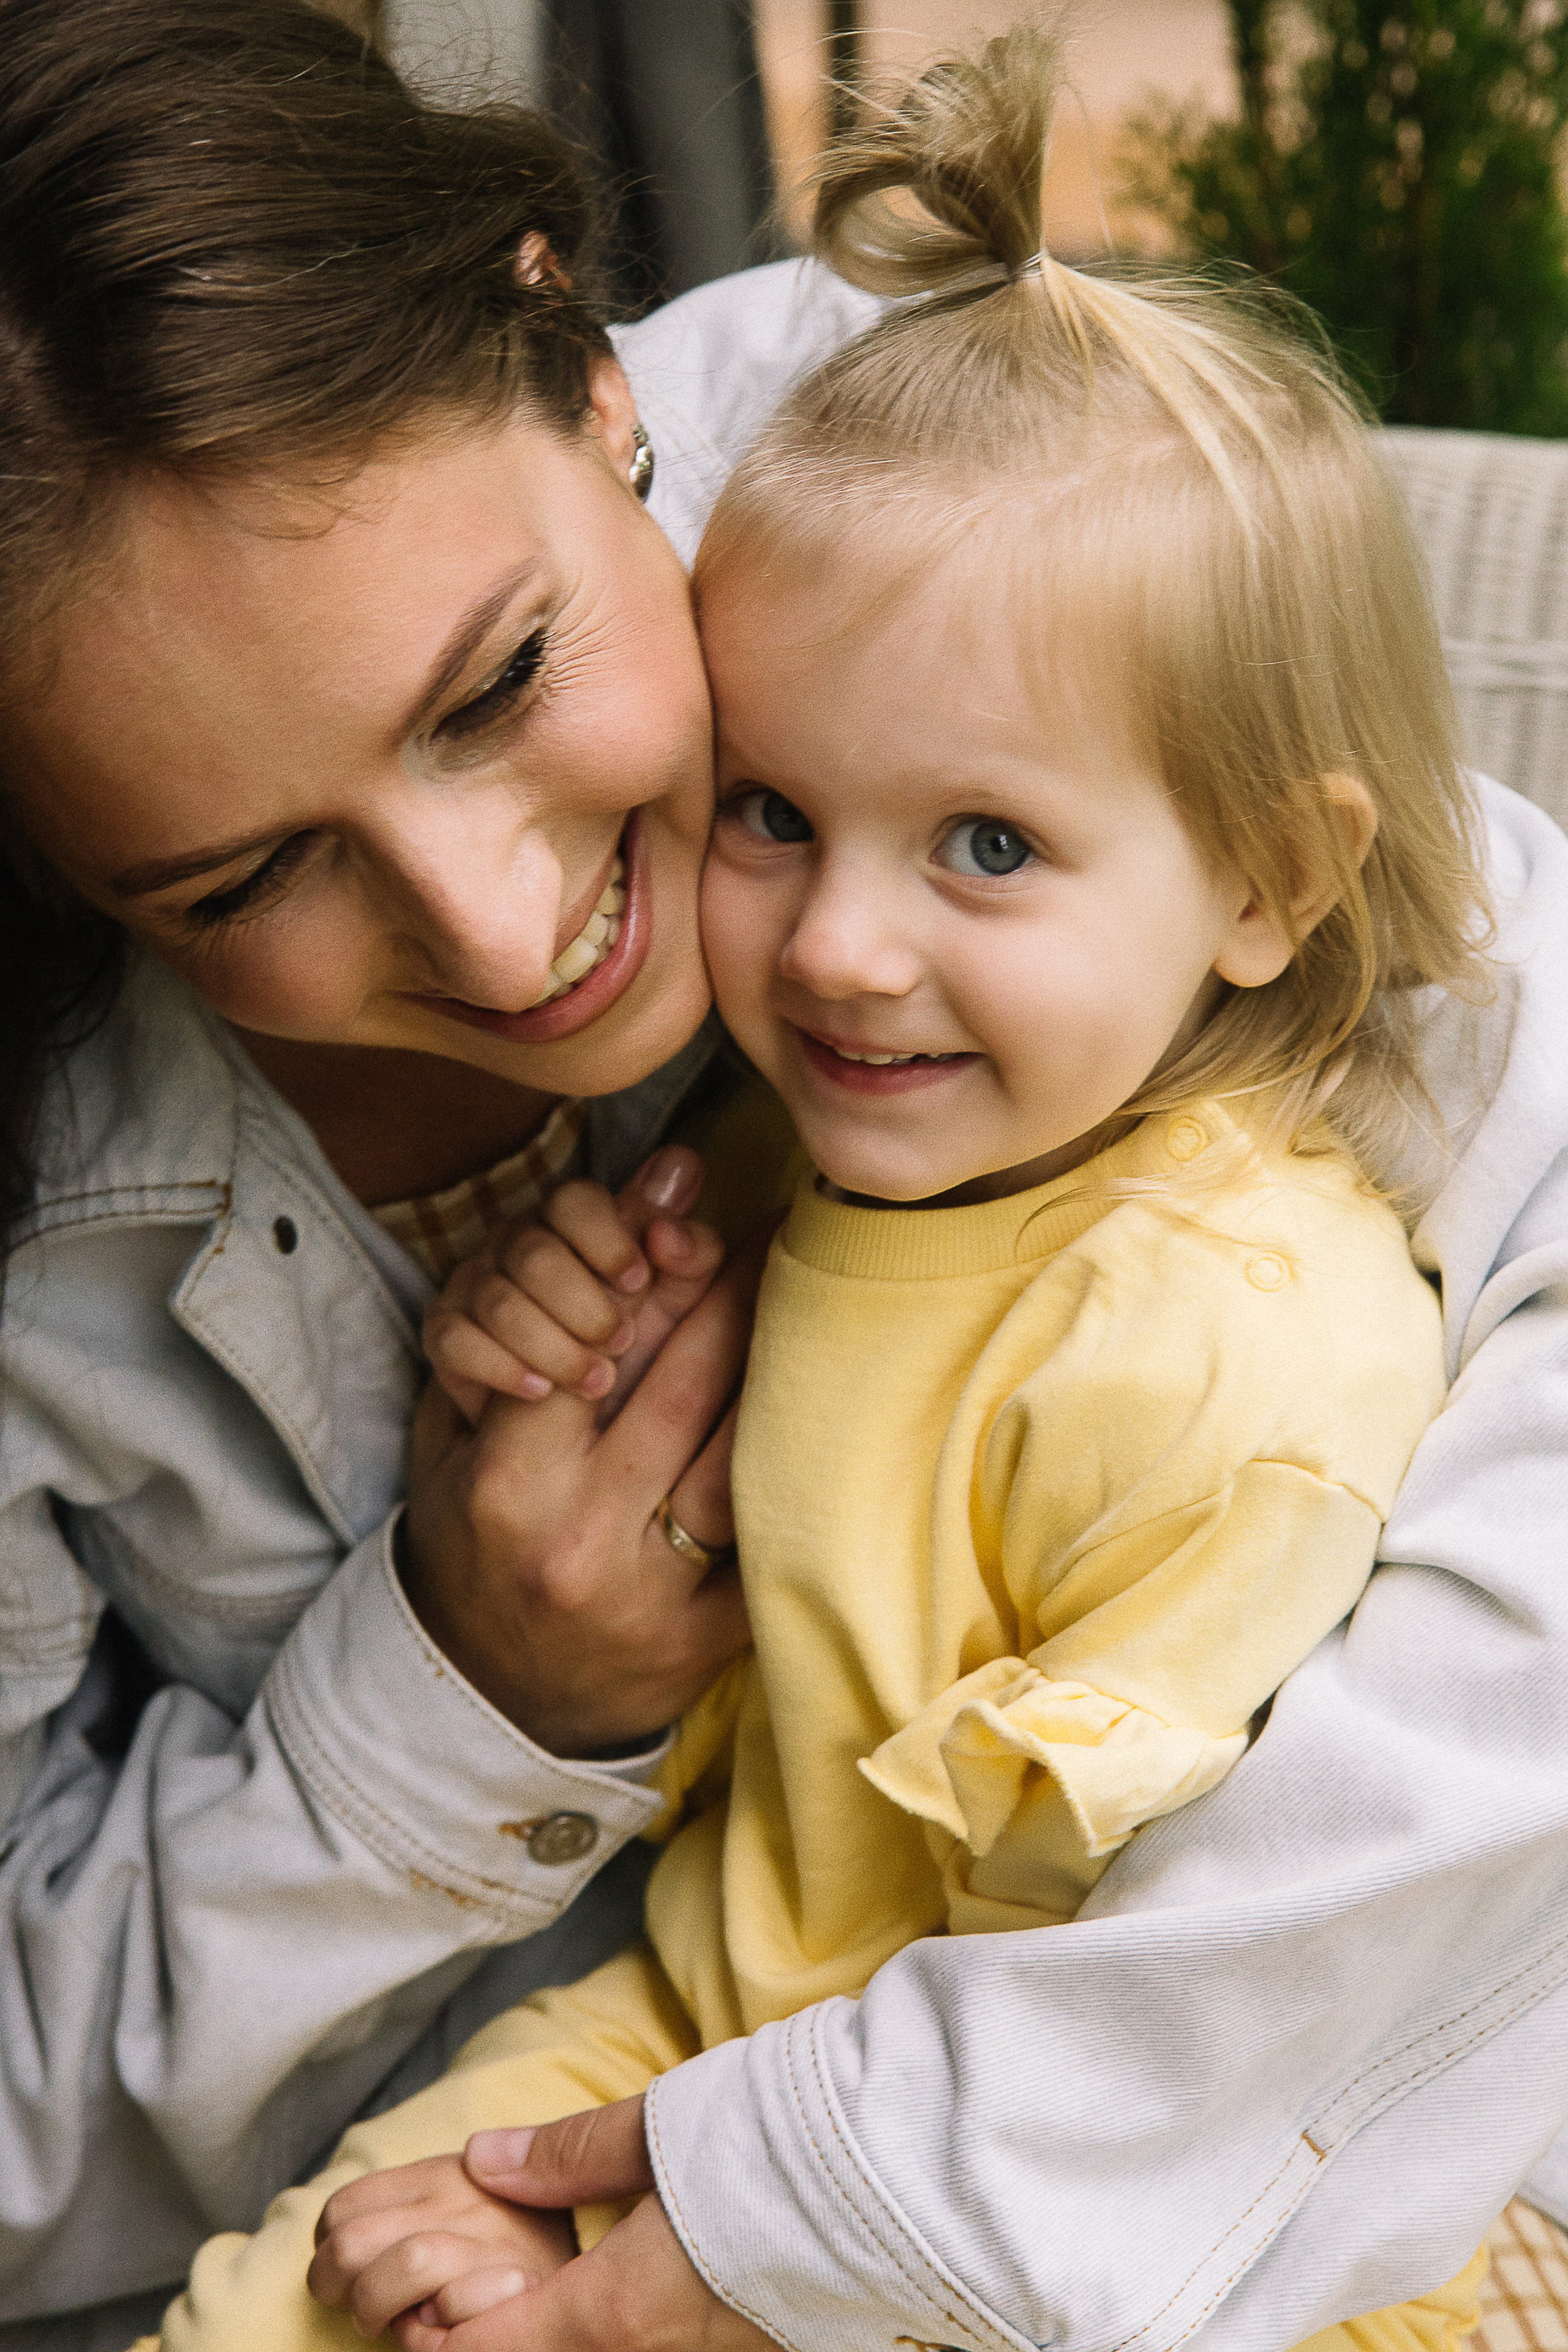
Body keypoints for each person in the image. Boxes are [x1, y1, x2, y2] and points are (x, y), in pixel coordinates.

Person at [2, 4, 1568, 2352]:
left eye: (503, 677)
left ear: (588, 365)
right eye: (238, 886)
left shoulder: (954, 505)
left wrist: (848, 2197)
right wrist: (455, 1697)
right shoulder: (58, 1194)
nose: (505, 934)